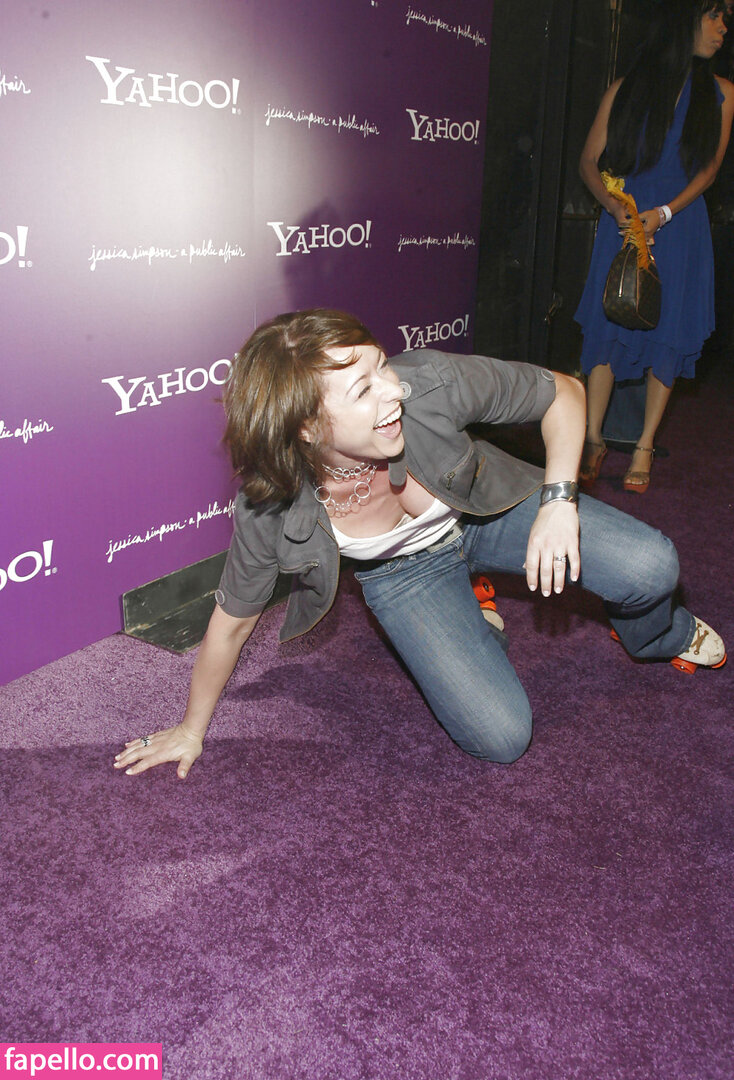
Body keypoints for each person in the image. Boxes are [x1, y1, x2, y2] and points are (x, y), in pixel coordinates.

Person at [113, 309, 726, 779]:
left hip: (489, 508)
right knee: (499, 737)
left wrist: (559, 501)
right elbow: (231, 625)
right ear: (305, 426)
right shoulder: (269, 505)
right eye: (363, 390)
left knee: (651, 566)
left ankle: (657, 636)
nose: (393, 391)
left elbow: (563, 390)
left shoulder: (427, 383)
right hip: (404, 573)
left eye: (380, 366)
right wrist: (191, 729)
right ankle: (471, 611)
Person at [576, 0, 734, 493]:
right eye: (715, 15)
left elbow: (709, 170)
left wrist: (664, 213)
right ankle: (593, 437)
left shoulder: (722, 93)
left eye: (727, 18)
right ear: (685, 18)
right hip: (624, 221)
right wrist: (613, 206)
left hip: (680, 223)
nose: (724, 28)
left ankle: (643, 444)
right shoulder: (625, 89)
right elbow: (588, 161)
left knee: (670, 330)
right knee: (606, 326)